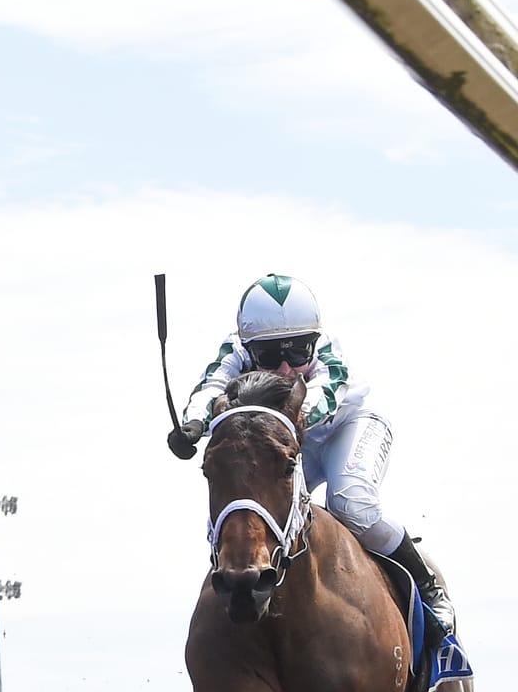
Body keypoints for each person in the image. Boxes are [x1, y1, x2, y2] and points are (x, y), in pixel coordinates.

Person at [173, 273, 454, 637]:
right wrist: (193, 424)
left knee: (352, 504)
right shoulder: (235, 350)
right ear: (249, 348)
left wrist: (295, 415)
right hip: (281, 440)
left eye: (298, 352)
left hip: (344, 429)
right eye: (271, 356)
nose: (287, 368)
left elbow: (325, 391)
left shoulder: (326, 348)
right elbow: (211, 385)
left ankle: (428, 588)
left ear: (313, 342)